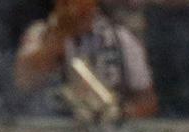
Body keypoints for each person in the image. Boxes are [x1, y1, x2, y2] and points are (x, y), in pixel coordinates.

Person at [13, 0, 156, 119]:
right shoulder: (40, 34)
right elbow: (24, 82)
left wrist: (120, 113)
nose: (75, 7)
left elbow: (147, 101)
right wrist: (60, 36)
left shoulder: (120, 39)